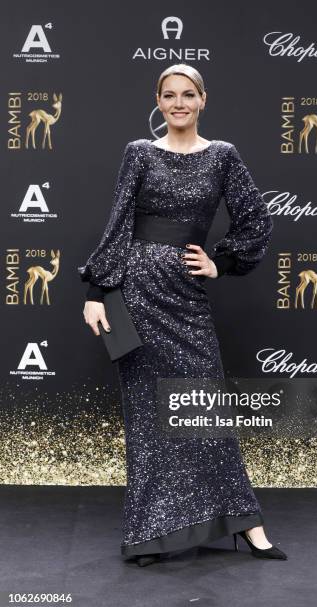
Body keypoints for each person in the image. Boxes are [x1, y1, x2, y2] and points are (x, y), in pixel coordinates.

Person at [78, 63, 287, 566]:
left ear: (202, 100)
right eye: (169, 95)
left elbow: (256, 219)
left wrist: (221, 262)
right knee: (149, 419)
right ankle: (152, 534)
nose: (178, 103)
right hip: (135, 292)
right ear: (158, 101)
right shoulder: (138, 154)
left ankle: (245, 523)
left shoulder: (222, 157)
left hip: (185, 296)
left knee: (202, 406)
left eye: (187, 95)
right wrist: (96, 290)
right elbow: (119, 220)